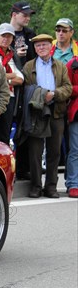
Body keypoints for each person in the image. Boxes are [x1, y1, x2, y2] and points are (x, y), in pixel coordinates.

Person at [22, 34, 72, 198]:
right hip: (37, 113)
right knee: (35, 152)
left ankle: (51, 187)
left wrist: (54, 94)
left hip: (56, 111)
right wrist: (40, 95)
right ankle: (36, 186)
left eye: (43, 45)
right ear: (34, 49)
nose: (41, 48)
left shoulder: (60, 66)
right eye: (37, 46)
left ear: (51, 47)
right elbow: (25, 88)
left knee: (54, 151)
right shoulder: (28, 66)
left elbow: (68, 88)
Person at [0, 23, 24, 145]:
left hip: (9, 98)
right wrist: (11, 76)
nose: (6, 39)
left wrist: (5, 79)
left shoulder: (13, 55)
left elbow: (20, 79)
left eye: (9, 37)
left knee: (5, 132)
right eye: (3, 36)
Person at [65, 56, 78, 198]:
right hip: (76, 112)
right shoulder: (72, 64)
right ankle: (73, 183)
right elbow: (67, 88)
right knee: (75, 150)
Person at [9, 1, 37, 66]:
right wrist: (15, 55)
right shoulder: (1, 35)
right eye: (25, 15)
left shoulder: (31, 34)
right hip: (9, 74)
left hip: (29, 74)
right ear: (14, 15)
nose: (28, 18)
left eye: (29, 16)